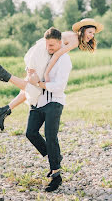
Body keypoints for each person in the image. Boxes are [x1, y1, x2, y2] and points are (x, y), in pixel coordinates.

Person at [0, 18, 103, 130]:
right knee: (34, 87)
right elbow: (57, 55)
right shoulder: (75, 40)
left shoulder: (72, 36)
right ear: (82, 30)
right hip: (43, 53)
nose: (92, 35)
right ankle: (4, 75)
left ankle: (5, 110)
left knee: (31, 85)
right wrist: (47, 73)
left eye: (93, 33)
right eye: (90, 32)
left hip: (41, 50)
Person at [26, 27, 72, 192]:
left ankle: (56, 175)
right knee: (30, 132)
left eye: (52, 45)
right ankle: (56, 157)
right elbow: (35, 70)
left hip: (55, 101)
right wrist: (31, 74)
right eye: (47, 45)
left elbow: (59, 86)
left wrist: (39, 83)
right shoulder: (45, 55)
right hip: (39, 101)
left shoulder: (64, 60)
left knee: (50, 135)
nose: (49, 48)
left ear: (60, 43)